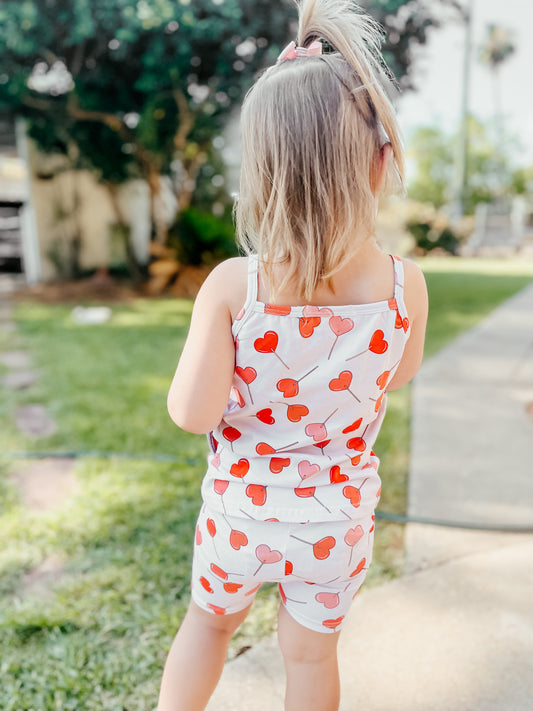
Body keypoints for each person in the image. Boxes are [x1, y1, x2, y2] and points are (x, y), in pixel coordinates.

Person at [158, 0, 428, 709]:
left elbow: (191, 413)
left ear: (263, 168)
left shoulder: (232, 286)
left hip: (239, 517)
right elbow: (397, 373)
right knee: (309, 658)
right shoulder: (404, 284)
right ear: (377, 162)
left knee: (209, 626)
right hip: (334, 523)